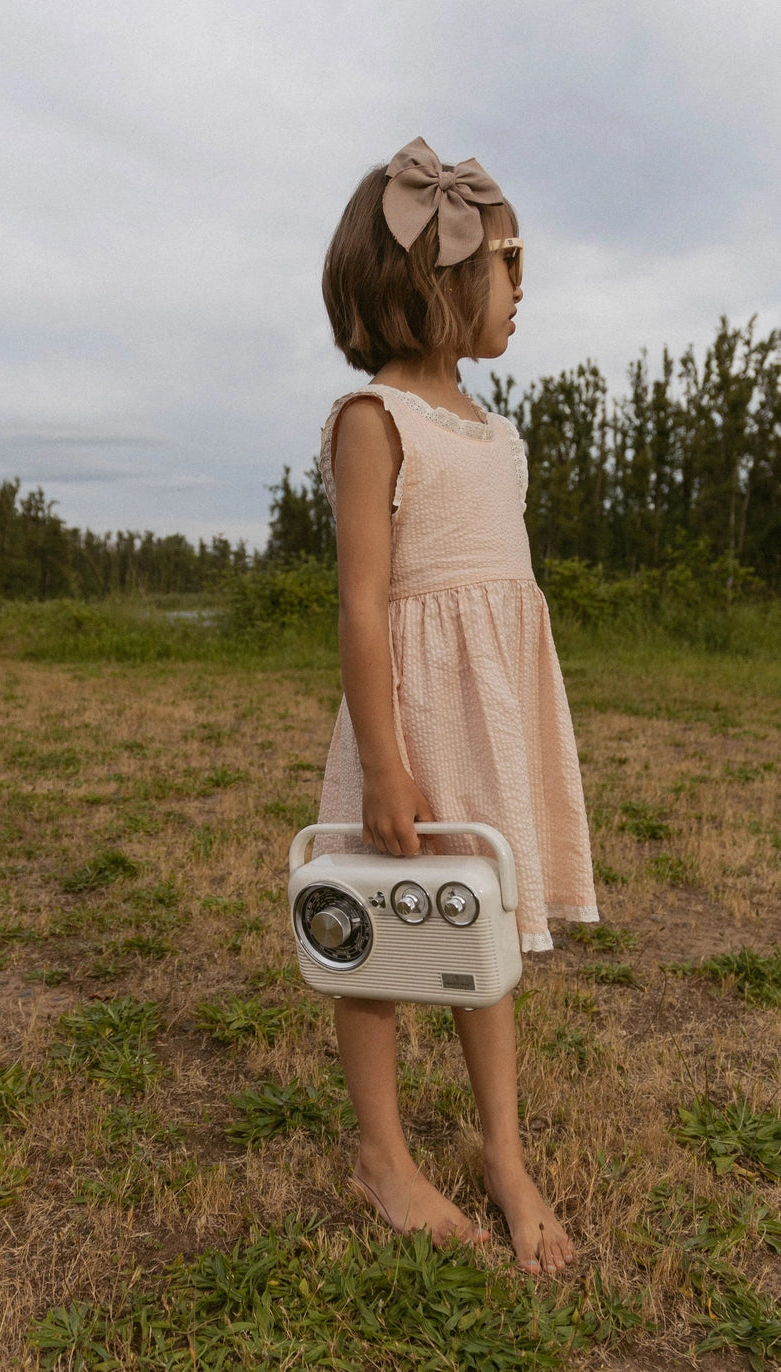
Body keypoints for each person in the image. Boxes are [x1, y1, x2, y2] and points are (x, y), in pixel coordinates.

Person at [315, 137, 599, 1275]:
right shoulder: (371, 418)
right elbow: (363, 606)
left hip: (486, 712)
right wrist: (383, 762)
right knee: (379, 927)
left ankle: (502, 1154)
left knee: (484, 934)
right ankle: (382, 1155)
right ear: (438, 279)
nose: (521, 291)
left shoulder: (495, 431)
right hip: (407, 719)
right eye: (508, 265)